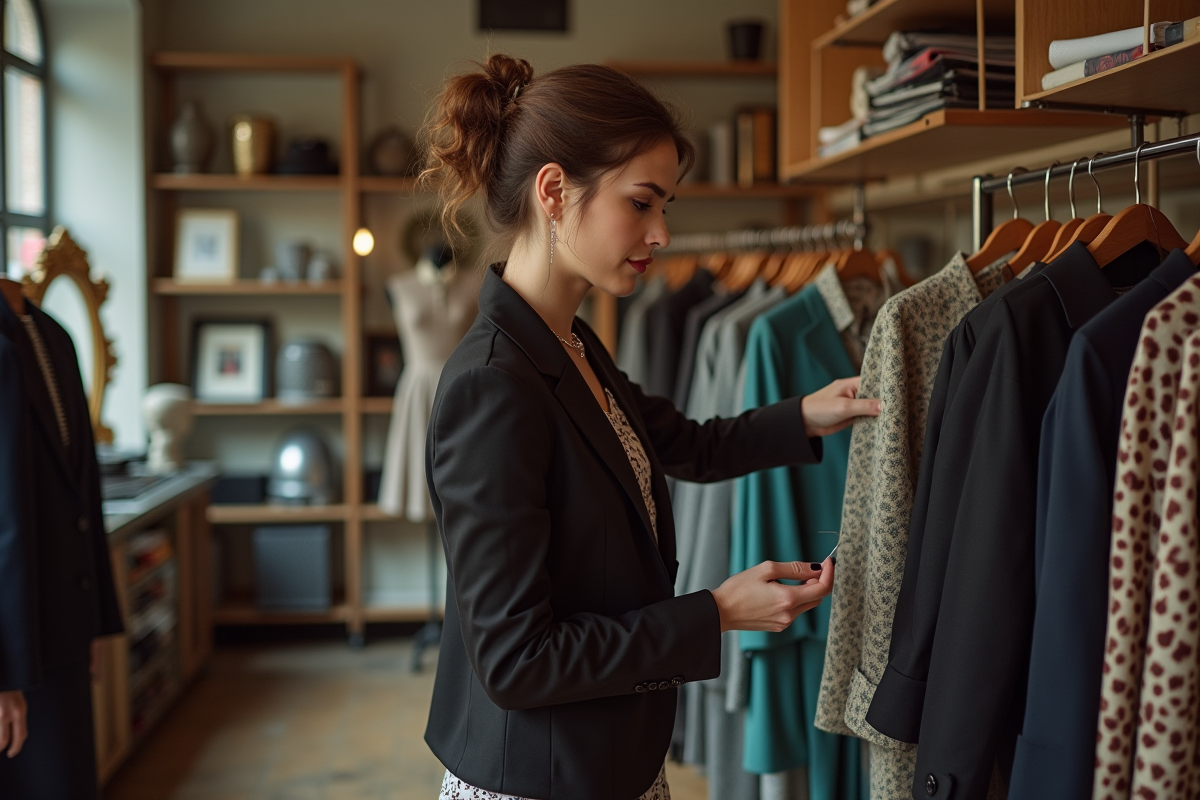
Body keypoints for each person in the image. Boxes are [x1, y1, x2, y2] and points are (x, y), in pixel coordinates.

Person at [419, 54, 879, 800]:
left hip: (607, 756)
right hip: (540, 776)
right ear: (554, 192)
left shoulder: (569, 341)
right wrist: (716, 614)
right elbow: (515, 660)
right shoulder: (491, 388)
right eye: (642, 203)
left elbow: (678, 443)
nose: (662, 233)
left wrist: (806, 413)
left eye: (664, 205)